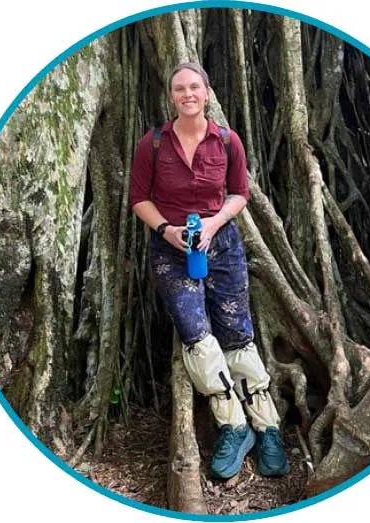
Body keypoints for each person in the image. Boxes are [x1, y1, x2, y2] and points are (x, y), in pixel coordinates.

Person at [129, 62, 289, 479]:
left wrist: (215, 222)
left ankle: (267, 426)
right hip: (171, 251)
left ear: (206, 91)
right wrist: (166, 230)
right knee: (196, 334)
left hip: (222, 246)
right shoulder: (153, 144)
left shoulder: (227, 141)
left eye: (194, 87)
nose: (188, 94)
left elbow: (240, 193)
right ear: (171, 96)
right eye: (179, 88)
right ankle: (233, 425)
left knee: (237, 332)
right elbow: (138, 198)